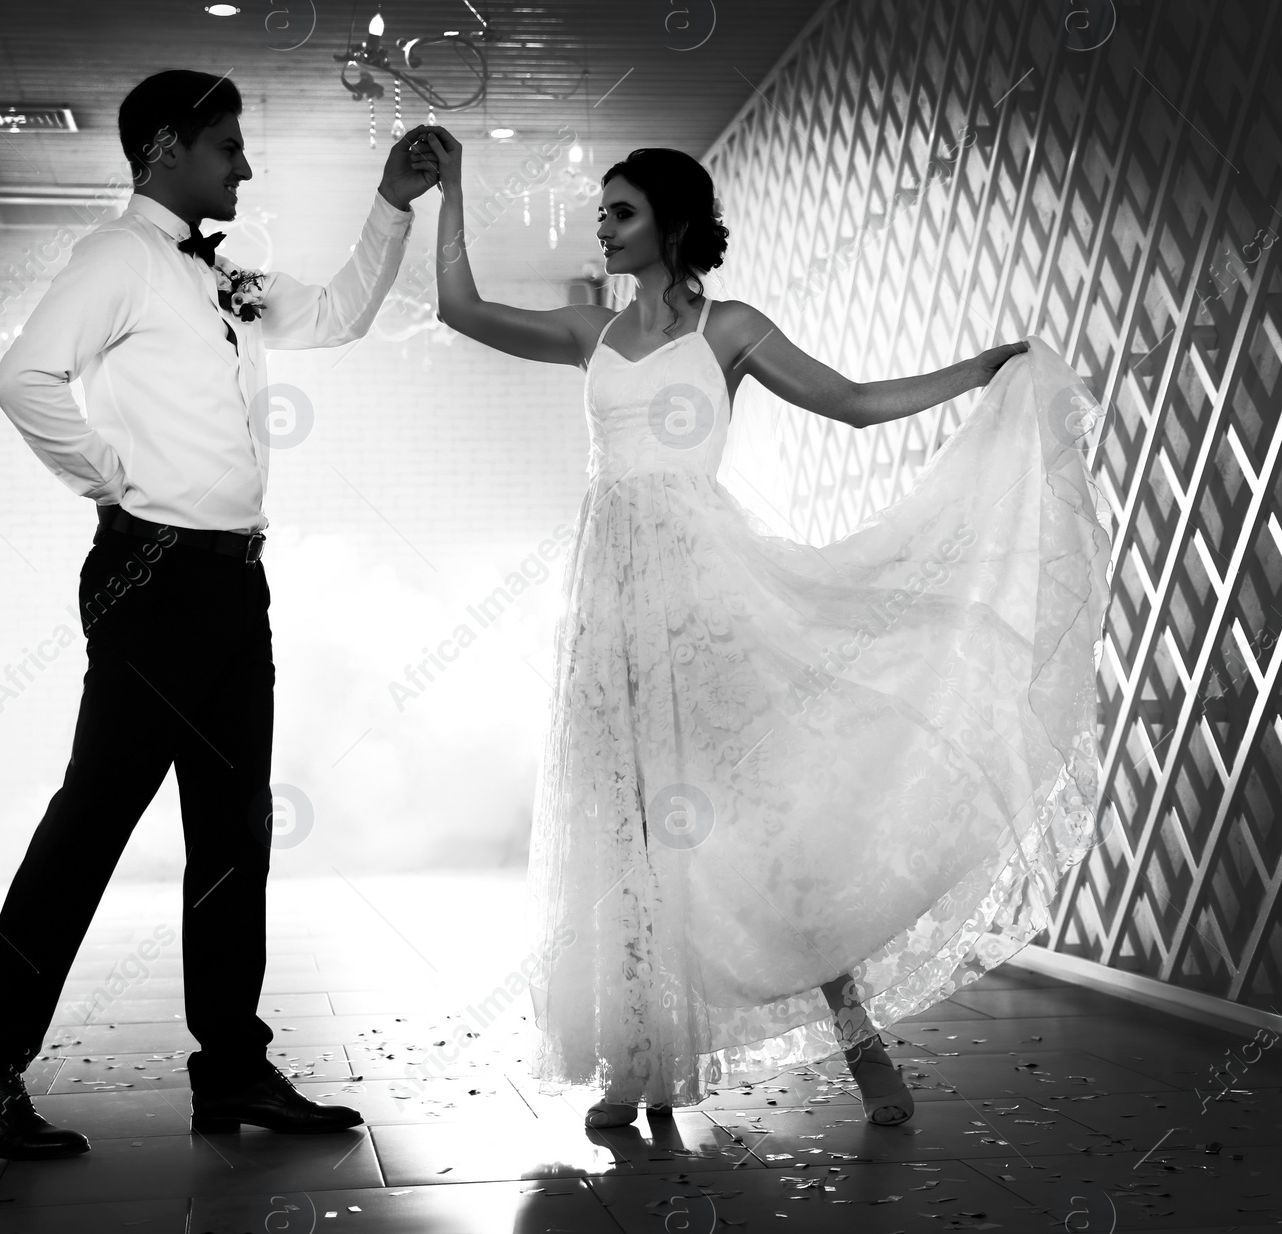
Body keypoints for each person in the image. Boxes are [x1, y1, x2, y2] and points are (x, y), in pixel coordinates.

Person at [419, 132, 1109, 1129]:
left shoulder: (729, 328)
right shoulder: (588, 332)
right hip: (610, 601)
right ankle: (635, 1062)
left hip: (710, 595)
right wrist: (450, 190)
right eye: (601, 214)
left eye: (619, 212)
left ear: (674, 224)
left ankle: (861, 1042)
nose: (601, 229)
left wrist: (977, 372)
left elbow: (855, 405)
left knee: (769, 827)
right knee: (628, 825)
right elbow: (459, 309)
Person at [0, 70, 440, 1159]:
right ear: (165, 149)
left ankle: (233, 1069)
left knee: (231, 832)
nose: (243, 167)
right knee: (93, 822)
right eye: (225, 149)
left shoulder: (226, 279)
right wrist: (113, 480)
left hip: (230, 579)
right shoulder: (114, 260)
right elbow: (24, 379)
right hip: (153, 574)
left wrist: (393, 200)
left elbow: (340, 314)